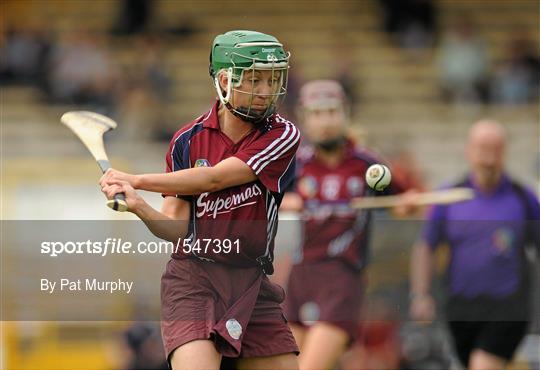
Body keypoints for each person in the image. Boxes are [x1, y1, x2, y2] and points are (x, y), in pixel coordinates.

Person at [100, 30, 300, 370]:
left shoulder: (281, 134)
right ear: (224, 79)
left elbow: (216, 176)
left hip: (251, 280)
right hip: (193, 279)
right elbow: (177, 228)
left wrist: (136, 179)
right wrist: (139, 205)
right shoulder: (186, 141)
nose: (265, 91)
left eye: (271, 80)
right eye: (254, 79)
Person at [281, 80, 409, 370]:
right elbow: (263, 200)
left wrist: (404, 205)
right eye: (316, 113)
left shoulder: (368, 165)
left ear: (345, 113)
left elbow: (404, 199)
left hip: (343, 277)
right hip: (301, 276)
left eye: (331, 112)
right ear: (304, 118)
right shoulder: (296, 164)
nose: (325, 121)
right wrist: (285, 202)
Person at [410, 119, 540, 370]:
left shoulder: (523, 198)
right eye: (482, 150)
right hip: (461, 307)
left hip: (508, 307)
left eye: (496, 150)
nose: (489, 160)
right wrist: (421, 294)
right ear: (468, 151)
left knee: (483, 364)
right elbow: (426, 246)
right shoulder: (448, 197)